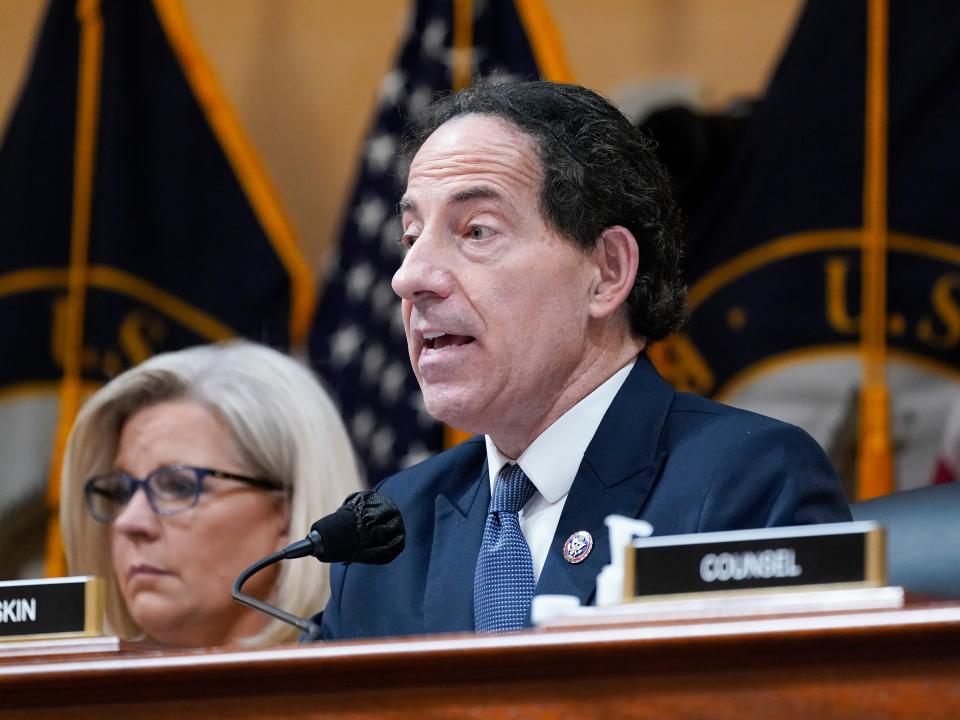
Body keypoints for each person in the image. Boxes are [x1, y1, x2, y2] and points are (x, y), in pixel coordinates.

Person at [316, 80, 851, 641]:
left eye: (476, 231)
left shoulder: (748, 482)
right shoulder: (387, 534)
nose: (410, 278)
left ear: (608, 272)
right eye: (410, 236)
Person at [60, 341, 362, 647]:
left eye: (179, 486)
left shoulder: (374, 692)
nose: (129, 521)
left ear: (289, 514)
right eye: (120, 491)